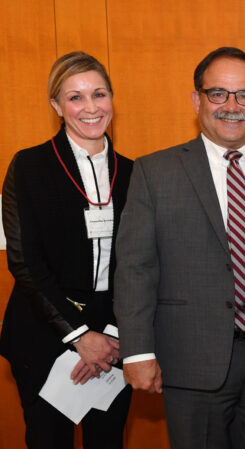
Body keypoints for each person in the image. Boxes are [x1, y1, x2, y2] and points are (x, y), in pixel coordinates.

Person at [113, 47, 245, 449]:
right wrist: (136, 352)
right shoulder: (154, 173)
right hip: (190, 362)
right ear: (197, 100)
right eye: (218, 94)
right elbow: (133, 268)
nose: (232, 106)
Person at [0, 51, 133, 449]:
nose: (91, 108)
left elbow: (141, 263)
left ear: (112, 99)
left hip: (115, 338)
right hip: (44, 333)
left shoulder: (134, 173)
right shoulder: (29, 167)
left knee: (107, 442)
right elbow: (24, 261)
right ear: (56, 105)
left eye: (99, 94)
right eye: (75, 97)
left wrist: (110, 335)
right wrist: (79, 336)